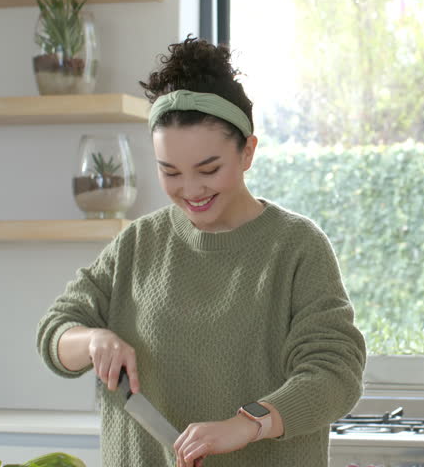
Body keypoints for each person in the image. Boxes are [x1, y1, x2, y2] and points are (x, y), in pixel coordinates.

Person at [35, 36, 367, 467]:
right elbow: (55, 332)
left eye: (209, 170)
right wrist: (93, 341)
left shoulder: (296, 247)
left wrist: (248, 423)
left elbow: (335, 372)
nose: (191, 190)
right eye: (170, 172)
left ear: (247, 152)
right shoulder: (138, 243)